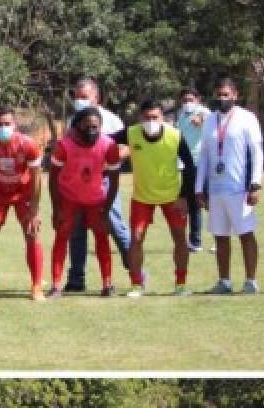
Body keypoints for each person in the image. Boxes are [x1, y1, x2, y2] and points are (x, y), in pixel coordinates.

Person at [195, 77, 264, 294]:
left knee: (245, 233)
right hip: (216, 189)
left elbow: (256, 151)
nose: (222, 98)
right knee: (220, 235)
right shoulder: (209, 120)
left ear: (235, 95)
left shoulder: (247, 118)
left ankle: (251, 281)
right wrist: (199, 187)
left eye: (227, 94)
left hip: (239, 188)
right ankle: (224, 281)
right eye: (219, 94)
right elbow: (204, 154)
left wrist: (255, 184)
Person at [121, 100, 196, 296]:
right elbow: (103, 140)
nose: (151, 121)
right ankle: (137, 284)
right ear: (140, 118)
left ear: (163, 118)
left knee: (180, 237)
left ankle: (180, 284)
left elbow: (189, 166)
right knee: (136, 239)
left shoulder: (175, 135)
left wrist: (184, 196)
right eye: (147, 118)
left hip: (172, 196)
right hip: (142, 196)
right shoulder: (131, 133)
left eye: (155, 117)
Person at [63, 78, 131, 291]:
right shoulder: (73, 121)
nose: (79, 101)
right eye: (77, 97)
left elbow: (127, 147)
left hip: (103, 181)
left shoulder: (111, 120)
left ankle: (136, 271)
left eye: (84, 97)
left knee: (115, 225)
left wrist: (108, 162)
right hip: (78, 183)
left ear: (96, 97)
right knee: (77, 230)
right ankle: (76, 279)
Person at [0, 105, 45, 301]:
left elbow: (37, 179)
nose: (4, 127)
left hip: (24, 193)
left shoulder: (28, 144)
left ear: (15, 125)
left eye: (7, 124)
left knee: (32, 234)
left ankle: (36, 287)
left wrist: (35, 211)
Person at [48, 106, 122, 297]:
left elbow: (114, 181)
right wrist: (56, 208)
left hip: (96, 201)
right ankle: (56, 285)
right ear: (79, 125)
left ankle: (107, 284)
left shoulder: (109, 145)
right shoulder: (64, 145)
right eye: (88, 127)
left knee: (102, 239)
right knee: (62, 238)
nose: (92, 131)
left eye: (96, 127)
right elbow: (52, 178)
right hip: (69, 199)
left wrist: (106, 209)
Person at [175, 88, 210, 252]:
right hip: (187, 164)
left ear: (198, 100)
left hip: (202, 163)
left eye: (190, 99)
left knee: (210, 201)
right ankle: (195, 241)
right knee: (192, 203)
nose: (187, 103)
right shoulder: (182, 116)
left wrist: (201, 118)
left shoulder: (203, 111)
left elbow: (207, 117)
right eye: (184, 100)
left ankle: (220, 238)